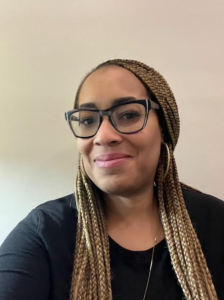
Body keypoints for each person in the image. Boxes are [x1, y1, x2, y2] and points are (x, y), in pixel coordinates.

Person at [0, 59, 223, 300]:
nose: (103, 136)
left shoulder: (217, 223)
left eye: (128, 114)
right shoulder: (44, 234)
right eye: (87, 120)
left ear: (164, 129)